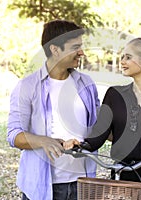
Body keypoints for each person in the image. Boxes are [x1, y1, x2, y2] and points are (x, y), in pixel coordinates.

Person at [64, 37, 141, 200]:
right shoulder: (114, 95)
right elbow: (98, 136)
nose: (122, 61)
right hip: (122, 176)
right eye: (122, 57)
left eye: (128, 57)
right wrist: (80, 146)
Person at [7, 20, 100, 200]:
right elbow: (14, 135)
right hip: (42, 188)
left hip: (83, 184)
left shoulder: (86, 84)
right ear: (55, 49)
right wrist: (43, 141)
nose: (81, 52)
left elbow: (99, 128)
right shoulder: (27, 87)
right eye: (75, 47)